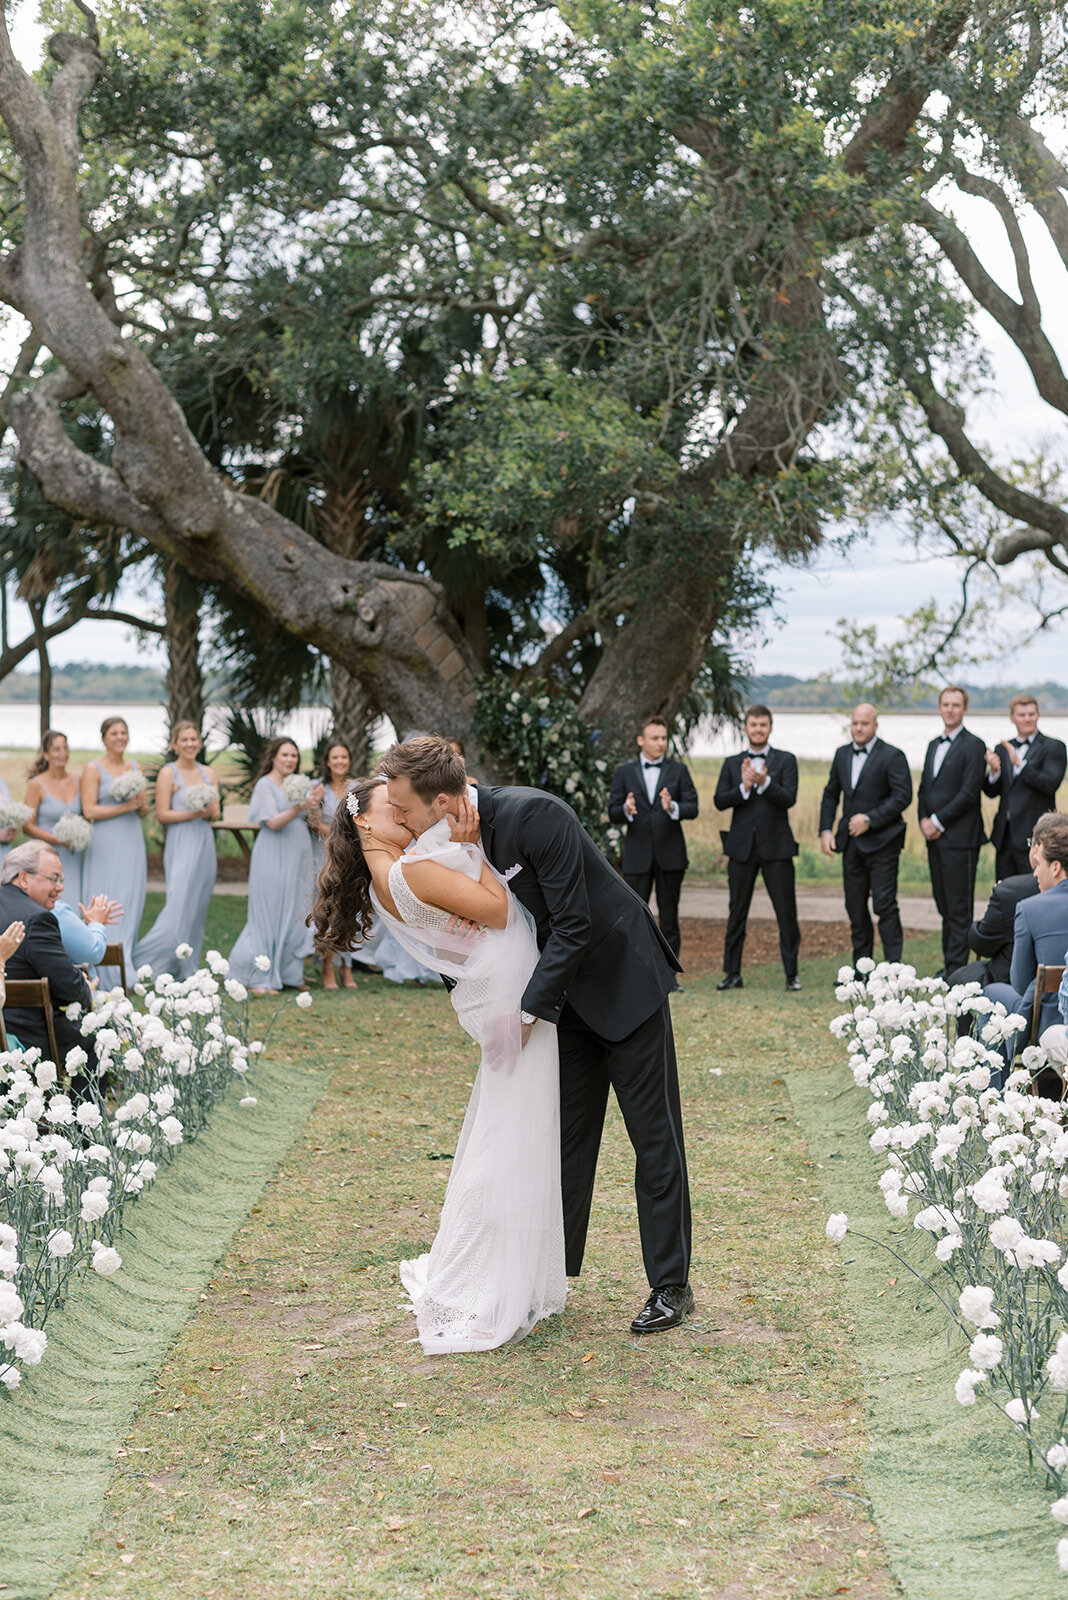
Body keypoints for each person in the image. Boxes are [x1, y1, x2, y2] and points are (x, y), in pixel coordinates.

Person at [379, 736, 693, 1335]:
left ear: (443, 800)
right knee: (561, 1142)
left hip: (622, 984)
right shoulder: (447, 843)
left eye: (406, 810)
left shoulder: (535, 815)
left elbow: (572, 925)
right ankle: (545, 1280)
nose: (398, 819)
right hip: (562, 1004)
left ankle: (671, 1286)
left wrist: (522, 1016)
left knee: (653, 1138)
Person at [314, 774, 566, 1352]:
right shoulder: (411, 870)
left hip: (491, 995)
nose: (408, 819)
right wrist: (475, 851)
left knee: (508, 1130)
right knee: (507, 1137)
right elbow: (501, 911)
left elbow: (452, 940)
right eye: (395, 812)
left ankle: (506, 1274)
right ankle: (477, 1281)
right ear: (364, 821)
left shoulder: (386, 878)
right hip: (507, 999)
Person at [713, 704, 801, 991]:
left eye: (763, 725)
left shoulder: (786, 760)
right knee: (736, 911)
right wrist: (744, 787)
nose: (758, 729)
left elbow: (789, 797)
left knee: (786, 912)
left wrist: (764, 783)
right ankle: (732, 973)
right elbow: (719, 800)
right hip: (741, 849)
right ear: (746, 728)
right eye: (753, 725)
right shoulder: (731, 763)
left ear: (770, 727)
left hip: (777, 849)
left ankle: (792, 975)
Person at [819, 703, 912, 969]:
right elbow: (830, 794)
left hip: (884, 843)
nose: (858, 728)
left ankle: (894, 970)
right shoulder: (841, 754)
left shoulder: (893, 756)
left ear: (875, 725)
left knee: (884, 906)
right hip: (850, 844)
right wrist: (825, 830)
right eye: (855, 723)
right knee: (855, 907)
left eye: (864, 724)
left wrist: (870, 819)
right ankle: (862, 969)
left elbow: (902, 796)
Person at [227, 737, 321, 994]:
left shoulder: (300, 784)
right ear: (274, 757)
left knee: (296, 911)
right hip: (272, 853)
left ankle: (290, 973)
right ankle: (255, 975)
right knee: (268, 912)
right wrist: (297, 806)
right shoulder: (264, 786)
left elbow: (310, 821)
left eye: (294, 755)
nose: (290, 760)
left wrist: (313, 805)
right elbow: (272, 823)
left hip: (299, 853)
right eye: (285, 755)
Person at [0, 843, 96, 1076]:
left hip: (6, 1028)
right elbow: (70, 988)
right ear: (24, 878)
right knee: (96, 1039)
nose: (60, 888)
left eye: (62, 880)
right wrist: (86, 986)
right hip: (27, 1036)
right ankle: (79, 1111)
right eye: (53, 879)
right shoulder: (37, 919)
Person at [608, 715, 699, 961]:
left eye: (664, 738)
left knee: (670, 916)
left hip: (671, 855)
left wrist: (673, 808)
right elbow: (612, 812)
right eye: (655, 738)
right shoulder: (624, 772)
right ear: (641, 740)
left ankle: (671, 973)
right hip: (637, 856)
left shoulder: (678, 770)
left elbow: (693, 807)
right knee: (634, 916)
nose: (661, 743)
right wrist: (626, 809)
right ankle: (636, 971)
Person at [133, 722, 220, 979]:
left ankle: (187, 966)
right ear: (175, 744)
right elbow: (162, 814)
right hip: (181, 841)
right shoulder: (168, 773)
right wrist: (195, 812)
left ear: (200, 743)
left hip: (205, 841)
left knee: (197, 906)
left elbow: (215, 812)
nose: (190, 744)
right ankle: (144, 962)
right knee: (178, 903)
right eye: (184, 740)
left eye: (194, 739)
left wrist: (210, 812)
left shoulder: (209, 773)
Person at [983, 813, 1068, 1074]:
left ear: (1055, 867)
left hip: (1042, 1025)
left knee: (990, 994)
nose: (1034, 872)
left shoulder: (1029, 908)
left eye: (1038, 864)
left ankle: (994, 1092)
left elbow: (1019, 983)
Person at [916, 685, 986, 978]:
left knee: (959, 908)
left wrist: (938, 821)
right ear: (939, 707)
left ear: (965, 709)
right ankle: (950, 965)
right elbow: (925, 788)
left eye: (956, 705)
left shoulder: (974, 745)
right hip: (934, 838)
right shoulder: (933, 744)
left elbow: (970, 793)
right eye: (945, 704)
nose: (950, 709)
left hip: (961, 839)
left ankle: (957, 971)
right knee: (943, 904)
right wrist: (923, 820)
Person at [81, 716, 149, 989]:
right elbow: (89, 811)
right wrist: (125, 806)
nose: (120, 737)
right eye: (114, 733)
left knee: (130, 898)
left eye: (124, 732)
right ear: (104, 737)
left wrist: (140, 804)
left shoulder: (135, 767)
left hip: (132, 838)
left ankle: (125, 961)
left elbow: (143, 810)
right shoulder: (93, 768)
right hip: (105, 841)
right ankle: (102, 967)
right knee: (105, 896)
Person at [983, 694, 1067, 879]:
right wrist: (994, 772)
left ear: (1038, 715)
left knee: (1033, 893)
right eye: (1022, 715)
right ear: (1012, 718)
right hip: (1004, 836)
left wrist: (1019, 764)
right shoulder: (1002, 748)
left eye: (1031, 714)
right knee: (1004, 892)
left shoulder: (1054, 747)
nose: (1027, 718)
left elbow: (1050, 784)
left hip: (1037, 838)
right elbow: (992, 792)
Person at [307, 741, 359, 989]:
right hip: (325, 855)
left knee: (349, 908)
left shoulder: (358, 788)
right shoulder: (318, 788)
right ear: (327, 761)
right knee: (328, 910)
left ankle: (347, 968)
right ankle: (327, 966)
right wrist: (315, 806)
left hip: (351, 856)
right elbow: (313, 823)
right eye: (335, 757)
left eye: (344, 757)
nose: (340, 761)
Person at [23, 730, 85, 910]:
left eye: (66, 748)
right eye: (56, 749)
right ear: (46, 754)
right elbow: (27, 826)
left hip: (73, 856)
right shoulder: (36, 784)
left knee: (73, 901)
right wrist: (57, 841)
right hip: (46, 856)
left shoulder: (78, 781)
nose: (63, 754)